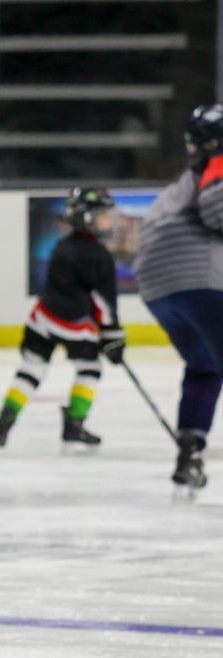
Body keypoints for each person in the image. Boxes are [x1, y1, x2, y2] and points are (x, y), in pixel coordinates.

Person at [0, 187, 124, 453]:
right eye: (102, 216)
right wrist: (113, 336)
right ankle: (74, 425)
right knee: (90, 369)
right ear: (85, 218)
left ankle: (4, 422)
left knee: (31, 369)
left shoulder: (62, 247)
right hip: (75, 328)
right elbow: (102, 303)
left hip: (42, 320)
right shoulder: (100, 256)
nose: (109, 221)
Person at [136, 105, 223, 501]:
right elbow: (217, 210)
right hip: (199, 279)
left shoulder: (181, 184)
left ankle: (189, 454)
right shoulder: (218, 164)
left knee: (205, 368)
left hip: (157, 289)